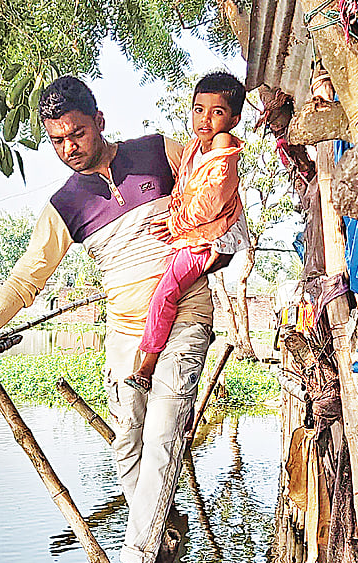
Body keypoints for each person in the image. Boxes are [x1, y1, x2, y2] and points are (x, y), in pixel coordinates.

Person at [0, 76, 215, 563]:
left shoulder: (158, 152)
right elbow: (26, 280)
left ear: (99, 119)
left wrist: (207, 237)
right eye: (57, 140)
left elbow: (215, 199)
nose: (69, 147)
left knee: (165, 432)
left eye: (77, 132)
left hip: (186, 311)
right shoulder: (65, 204)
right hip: (125, 332)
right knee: (128, 445)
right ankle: (155, 527)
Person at [125, 71, 249, 393]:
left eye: (217, 112)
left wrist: (175, 223)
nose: (205, 119)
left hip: (207, 240)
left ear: (233, 120)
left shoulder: (223, 158)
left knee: (165, 292)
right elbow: (184, 186)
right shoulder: (197, 147)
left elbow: (207, 205)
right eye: (199, 109)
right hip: (195, 234)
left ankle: (148, 365)